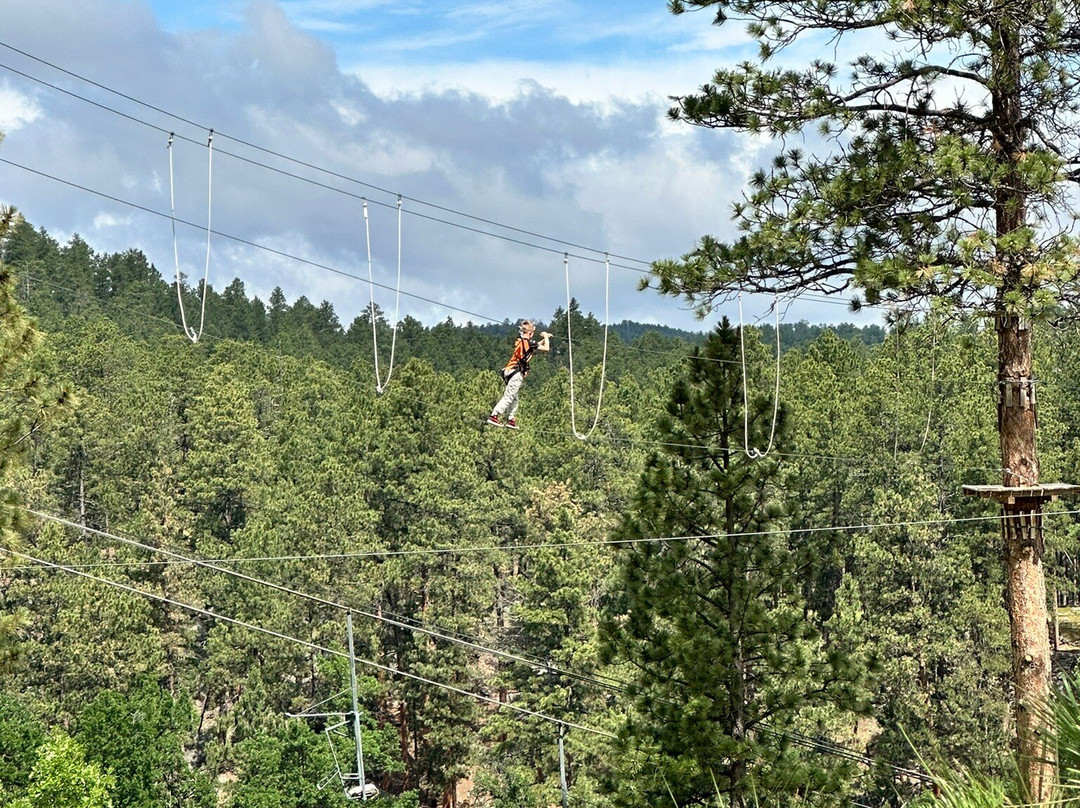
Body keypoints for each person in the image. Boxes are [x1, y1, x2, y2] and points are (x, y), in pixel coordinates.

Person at [487, 320, 550, 429]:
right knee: (509, 396)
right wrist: (546, 337)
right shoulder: (528, 342)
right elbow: (546, 349)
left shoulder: (522, 341)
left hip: (509, 371)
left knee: (514, 398)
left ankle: (511, 419)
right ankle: (494, 415)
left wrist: (545, 338)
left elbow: (534, 346)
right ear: (530, 332)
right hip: (516, 372)